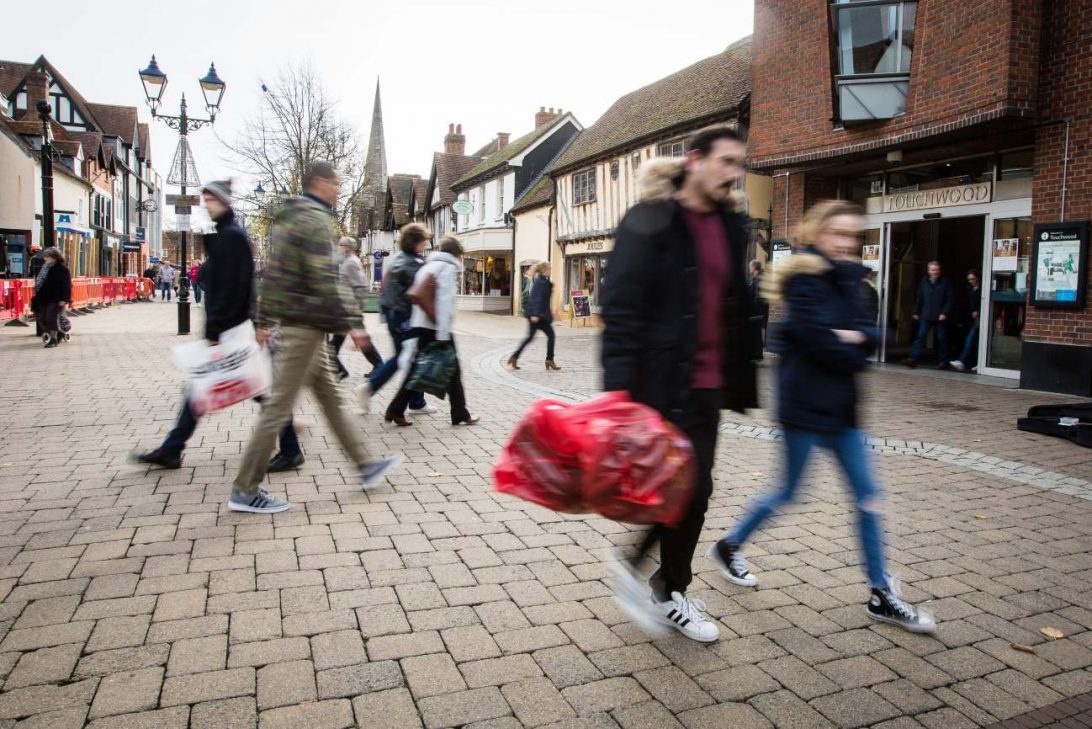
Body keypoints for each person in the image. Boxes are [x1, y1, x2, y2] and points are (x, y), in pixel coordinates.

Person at [709, 200, 936, 634]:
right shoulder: (804, 279)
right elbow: (824, 342)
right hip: (803, 409)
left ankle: (880, 593)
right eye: (838, 233)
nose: (847, 243)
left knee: (869, 497)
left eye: (854, 236)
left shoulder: (853, 282)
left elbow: (873, 335)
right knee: (787, 493)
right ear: (817, 234)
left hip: (844, 411)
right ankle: (729, 545)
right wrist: (852, 341)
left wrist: (853, 339)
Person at [602, 125, 757, 643]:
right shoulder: (650, 219)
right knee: (679, 487)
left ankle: (656, 581)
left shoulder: (732, 225)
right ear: (695, 160)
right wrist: (619, 391)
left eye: (740, 164)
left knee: (695, 489)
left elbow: (733, 303)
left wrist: (742, 374)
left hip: (707, 384)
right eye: (726, 161)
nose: (734, 173)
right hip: (659, 380)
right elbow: (621, 309)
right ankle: (660, 584)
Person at [232, 161, 402, 513]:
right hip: (304, 327)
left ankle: (365, 466)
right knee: (278, 408)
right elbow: (325, 279)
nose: (339, 190)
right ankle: (245, 490)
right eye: (336, 183)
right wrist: (353, 323)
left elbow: (274, 275)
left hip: (306, 326)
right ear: (320, 182)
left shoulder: (290, 217)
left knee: (331, 400)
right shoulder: (314, 219)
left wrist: (264, 319)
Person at [132, 180, 304, 473]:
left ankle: (289, 449)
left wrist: (217, 331)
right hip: (233, 328)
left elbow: (234, 287)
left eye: (210, 199)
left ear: (224, 201)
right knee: (218, 389)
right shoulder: (228, 234)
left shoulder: (232, 236)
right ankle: (172, 449)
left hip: (232, 331)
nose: (206, 205)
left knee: (241, 389)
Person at [384, 236, 479, 427]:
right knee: (448, 370)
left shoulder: (429, 265)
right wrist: (443, 333)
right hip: (436, 327)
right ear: (456, 253)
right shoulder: (447, 268)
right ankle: (459, 413)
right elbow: (443, 302)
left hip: (421, 325)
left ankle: (397, 409)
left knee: (421, 369)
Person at [355, 224, 431, 415]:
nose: (427, 243)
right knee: (406, 358)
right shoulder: (414, 262)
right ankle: (370, 388)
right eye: (424, 240)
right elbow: (419, 293)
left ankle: (417, 401)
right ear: (416, 242)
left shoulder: (398, 258)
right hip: (404, 317)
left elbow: (384, 290)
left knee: (409, 357)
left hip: (393, 315)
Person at [329, 237, 384, 380]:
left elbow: (361, 286)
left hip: (350, 310)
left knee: (336, 344)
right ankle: (378, 365)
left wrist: (357, 309)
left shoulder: (350, 263)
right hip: (347, 309)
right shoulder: (347, 261)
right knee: (350, 341)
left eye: (341, 245)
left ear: (347, 247)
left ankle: (341, 370)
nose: (339, 247)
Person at [508, 261, 559, 371]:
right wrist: (535, 314)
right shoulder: (541, 282)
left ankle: (515, 357)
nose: (551, 270)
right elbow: (536, 299)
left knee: (530, 337)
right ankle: (549, 359)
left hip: (538, 315)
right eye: (549, 268)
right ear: (544, 270)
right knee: (551, 335)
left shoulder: (541, 281)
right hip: (538, 316)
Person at [903, 260, 952, 369]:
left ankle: (943, 361)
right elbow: (919, 298)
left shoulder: (945, 282)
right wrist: (916, 312)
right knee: (921, 336)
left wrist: (945, 313)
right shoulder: (924, 282)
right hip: (927, 314)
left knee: (941, 338)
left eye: (937, 270)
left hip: (940, 315)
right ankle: (913, 358)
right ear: (929, 271)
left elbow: (950, 300)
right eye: (933, 270)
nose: (935, 272)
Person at [31, 247, 71, 348]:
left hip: (56, 298)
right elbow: (40, 281)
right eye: (45, 256)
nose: (45, 258)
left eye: (47, 256)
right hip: (43, 297)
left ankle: (53, 339)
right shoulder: (45, 268)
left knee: (51, 318)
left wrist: (65, 299)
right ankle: (59, 332)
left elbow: (67, 285)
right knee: (42, 319)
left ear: (54, 257)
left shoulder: (62, 269)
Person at [950, 269, 981, 372]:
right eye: (969, 279)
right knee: (974, 341)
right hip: (971, 320)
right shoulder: (970, 290)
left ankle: (962, 361)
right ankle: (978, 362)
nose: (971, 281)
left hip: (979, 319)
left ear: (977, 278)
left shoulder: (981, 290)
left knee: (970, 339)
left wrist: (978, 311)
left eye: (972, 279)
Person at [748, 259, 769, 361]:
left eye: (750, 267)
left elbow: (758, 297)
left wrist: (753, 309)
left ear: (753, 268)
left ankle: (756, 354)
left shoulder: (758, 279)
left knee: (755, 332)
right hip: (760, 310)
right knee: (757, 332)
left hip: (757, 311)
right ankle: (757, 353)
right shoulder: (759, 278)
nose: (749, 269)